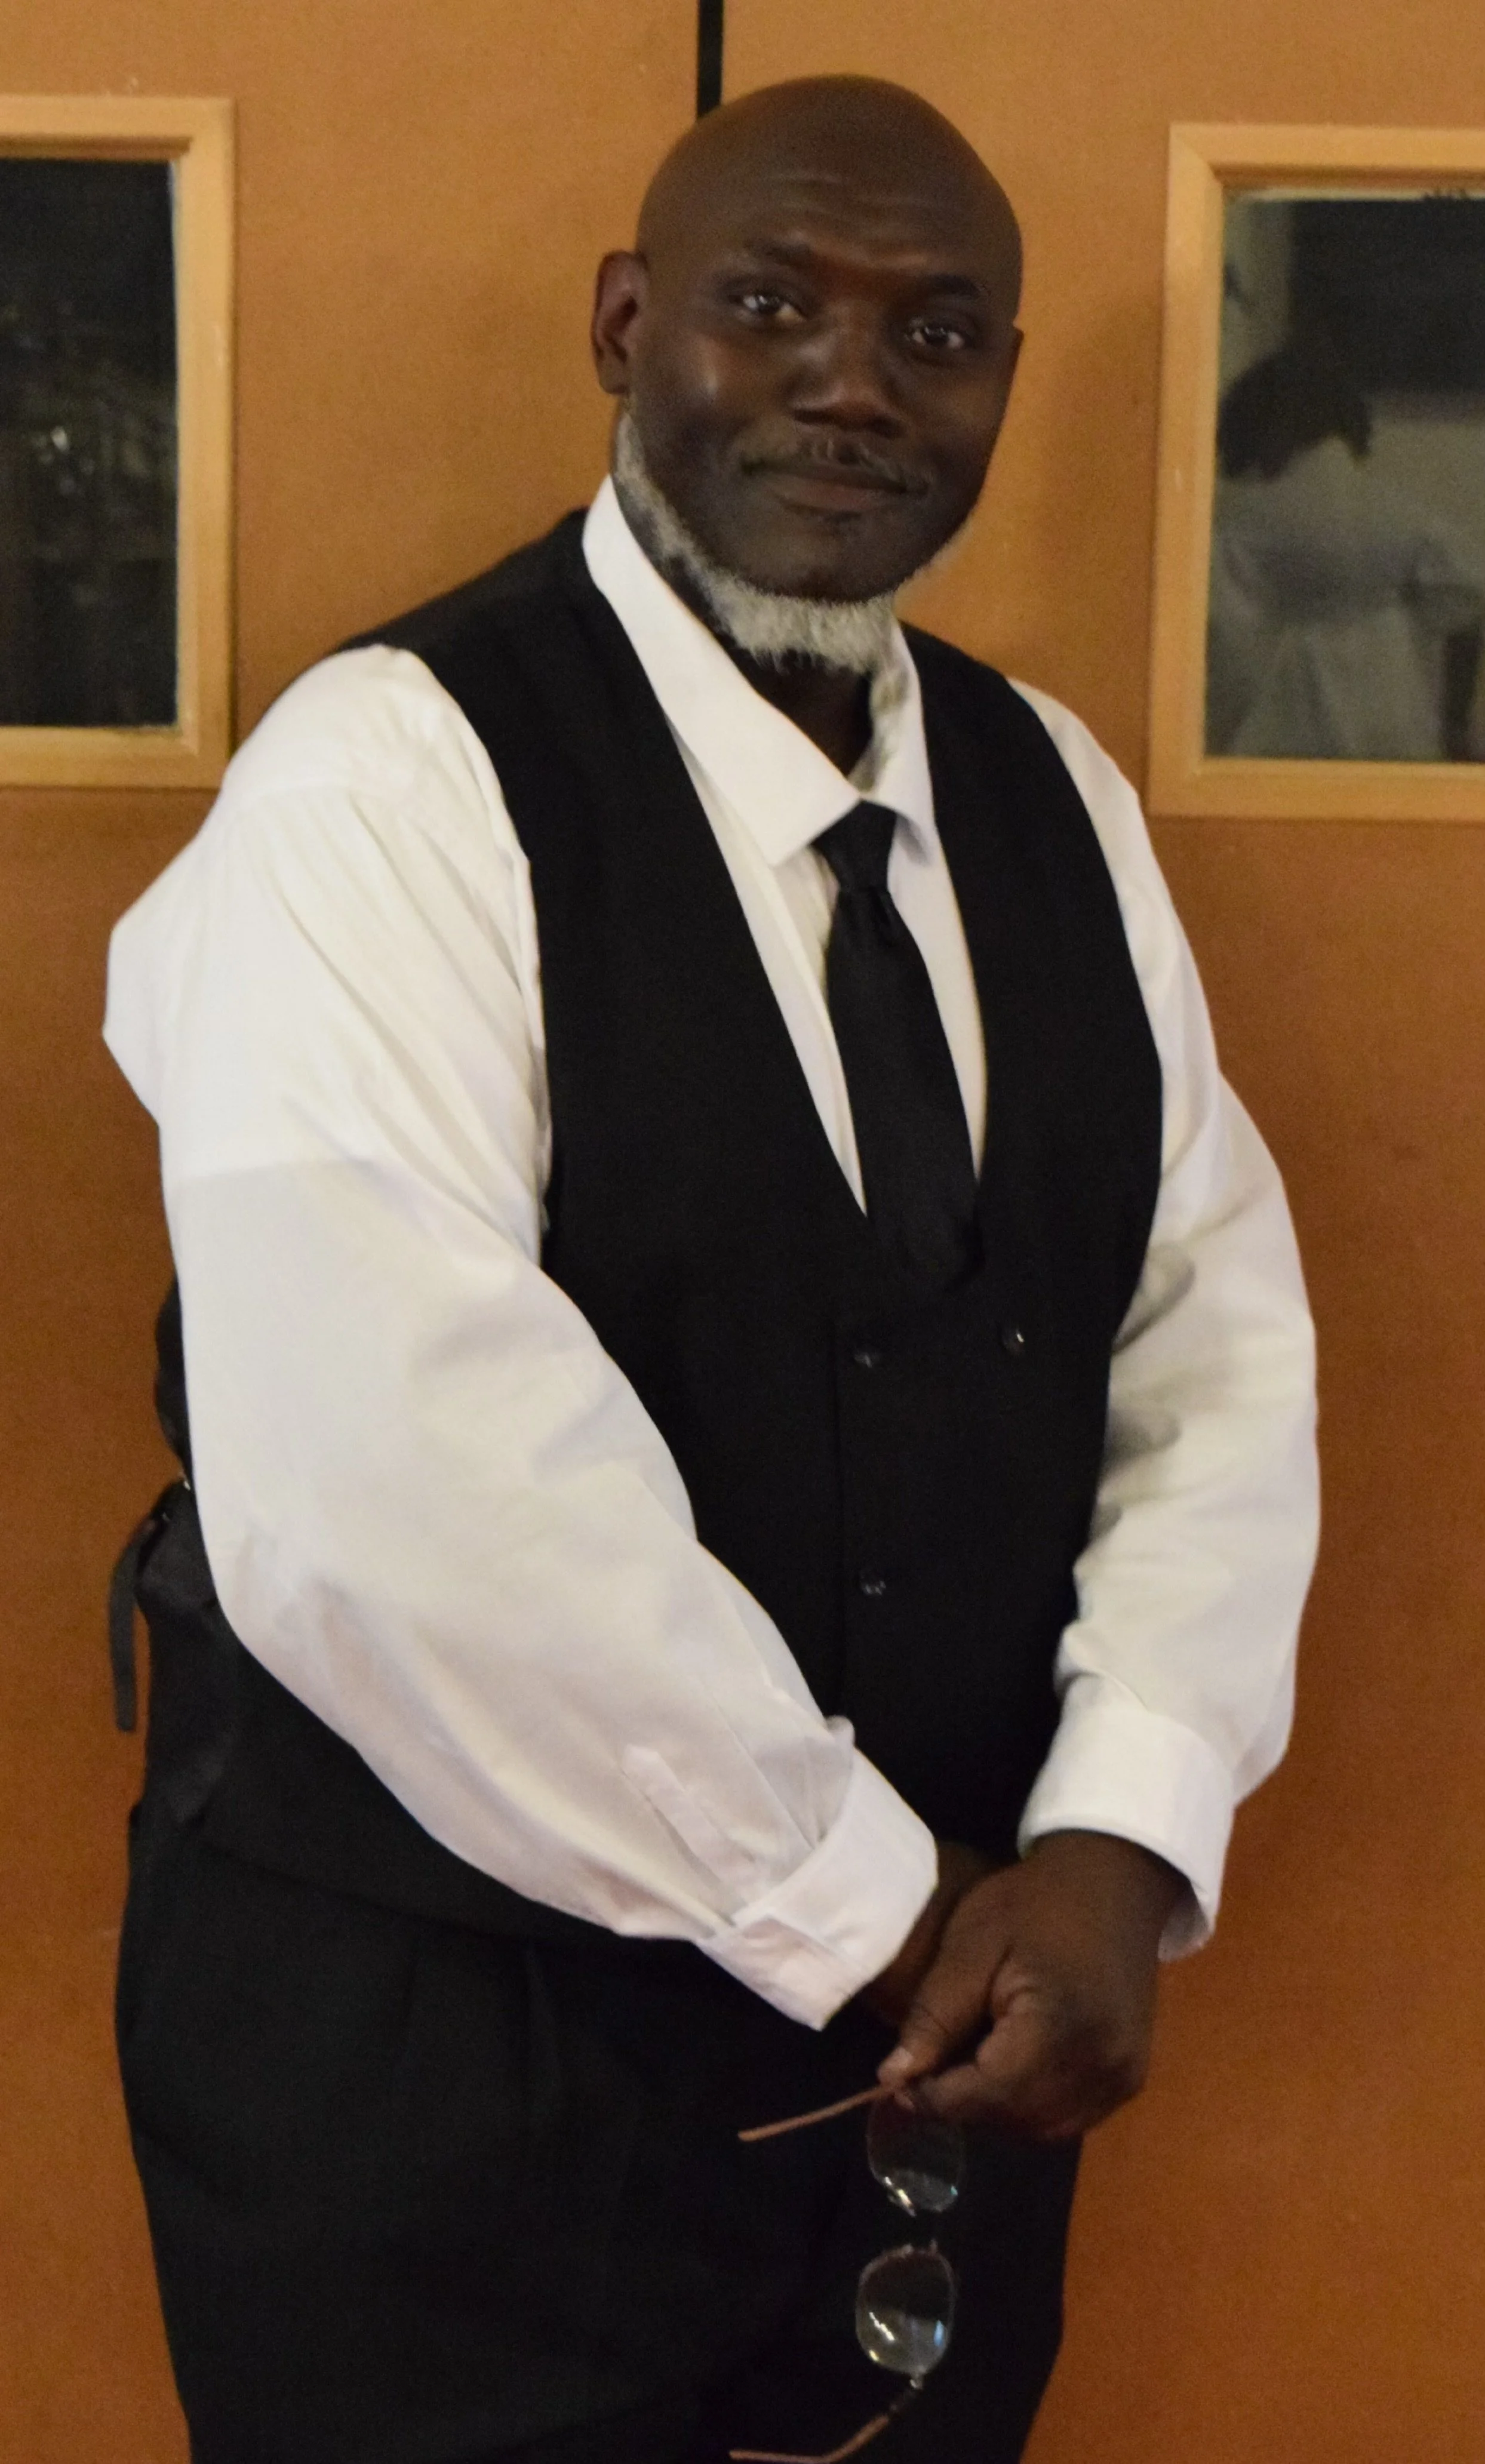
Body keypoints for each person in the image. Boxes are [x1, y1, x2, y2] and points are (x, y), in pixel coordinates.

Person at [104, 75, 1318, 2464]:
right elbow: (405, 1486)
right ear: (627, 325)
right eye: (771, 309)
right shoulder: (388, 781)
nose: (854, 385)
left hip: (962, 2044)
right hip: (443, 2085)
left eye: (937, 333)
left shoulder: (1048, 787)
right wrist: (886, 1902)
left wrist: (1120, 1825)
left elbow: (1208, 1334)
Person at [1207, 340, 1485, 759]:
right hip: (1394, 731)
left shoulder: (1239, 517)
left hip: (1276, 743)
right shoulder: (1395, 513)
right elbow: (1470, 588)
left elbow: (1225, 635)